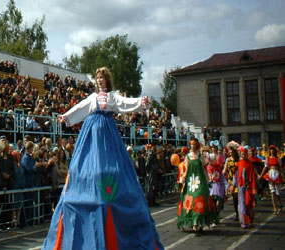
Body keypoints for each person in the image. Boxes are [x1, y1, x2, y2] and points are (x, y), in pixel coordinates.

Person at [43, 67, 163, 250]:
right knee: (83, 165)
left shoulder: (112, 97)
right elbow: (81, 108)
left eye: (102, 78)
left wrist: (140, 102)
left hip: (107, 133)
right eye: (97, 78)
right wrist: (66, 116)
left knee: (110, 165)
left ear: (107, 80)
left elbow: (124, 103)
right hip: (90, 133)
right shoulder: (92, 98)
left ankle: (110, 195)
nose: (99, 80)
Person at [178, 138, 218, 232]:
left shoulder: (200, 156)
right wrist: (181, 181)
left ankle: (197, 222)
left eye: (194, 144)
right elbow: (185, 170)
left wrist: (208, 155)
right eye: (191, 144)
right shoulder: (187, 157)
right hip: (191, 183)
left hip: (201, 181)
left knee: (200, 199)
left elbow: (207, 164)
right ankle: (194, 222)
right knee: (191, 201)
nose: (193, 146)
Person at [233, 148, 257, 229]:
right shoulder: (239, 163)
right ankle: (243, 222)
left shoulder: (250, 164)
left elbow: (253, 176)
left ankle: (250, 220)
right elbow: (236, 176)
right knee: (242, 204)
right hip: (241, 186)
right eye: (242, 154)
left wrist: (254, 187)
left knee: (248, 203)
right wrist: (233, 185)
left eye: (244, 154)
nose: (243, 155)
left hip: (248, 186)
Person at [259, 145, 283, 214]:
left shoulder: (278, 159)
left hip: (277, 174)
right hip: (270, 174)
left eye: (273, 149)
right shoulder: (268, 159)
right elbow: (265, 168)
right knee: (272, 192)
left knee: (277, 192)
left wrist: (282, 176)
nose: (272, 151)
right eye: (271, 149)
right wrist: (261, 175)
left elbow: (280, 168)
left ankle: (280, 204)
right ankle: (275, 208)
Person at [223, 144, 240, 221]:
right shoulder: (228, 160)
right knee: (235, 198)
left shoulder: (239, 160)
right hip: (231, 181)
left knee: (239, 197)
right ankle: (237, 213)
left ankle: (240, 212)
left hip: (238, 181)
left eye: (231, 150)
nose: (230, 152)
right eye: (229, 150)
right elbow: (224, 170)